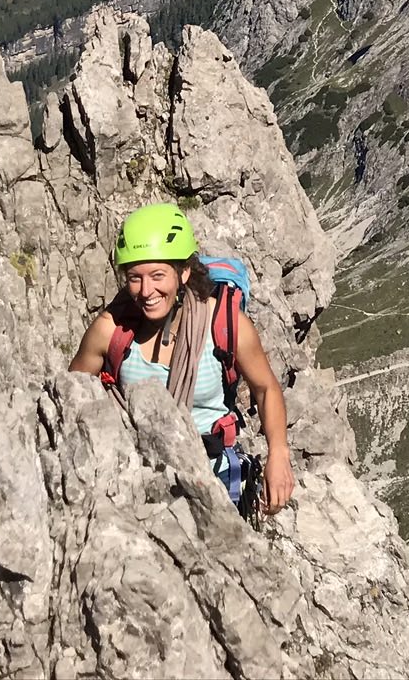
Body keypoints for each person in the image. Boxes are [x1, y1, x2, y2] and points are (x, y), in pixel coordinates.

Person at [69, 203, 295, 514]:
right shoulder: (110, 331)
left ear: (183, 272)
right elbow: (71, 399)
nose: (146, 290)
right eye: (135, 277)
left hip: (213, 475)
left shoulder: (225, 324)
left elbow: (266, 388)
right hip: (136, 478)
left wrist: (279, 455)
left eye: (158, 275)